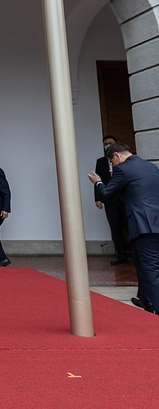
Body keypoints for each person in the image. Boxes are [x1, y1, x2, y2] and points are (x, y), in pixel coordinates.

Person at [88, 142, 159, 315]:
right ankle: (144, 298)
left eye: (112, 162)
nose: (113, 166)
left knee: (150, 267)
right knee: (143, 263)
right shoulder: (150, 166)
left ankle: (156, 308)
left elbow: (106, 194)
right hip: (155, 221)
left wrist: (98, 183)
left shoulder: (123, 169)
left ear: (116, 156)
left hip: (144, 225)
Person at [94, 135, 130, 265]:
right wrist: (98, 198)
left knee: (130, 226)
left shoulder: (123, 160)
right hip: (109, 199)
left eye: (110, 143)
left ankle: (135, 254)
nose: (107, 145)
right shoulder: (101, 161)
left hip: (124, 198)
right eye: (105, 143)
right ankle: (121, 256)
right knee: (115, 229)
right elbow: (97, 180)